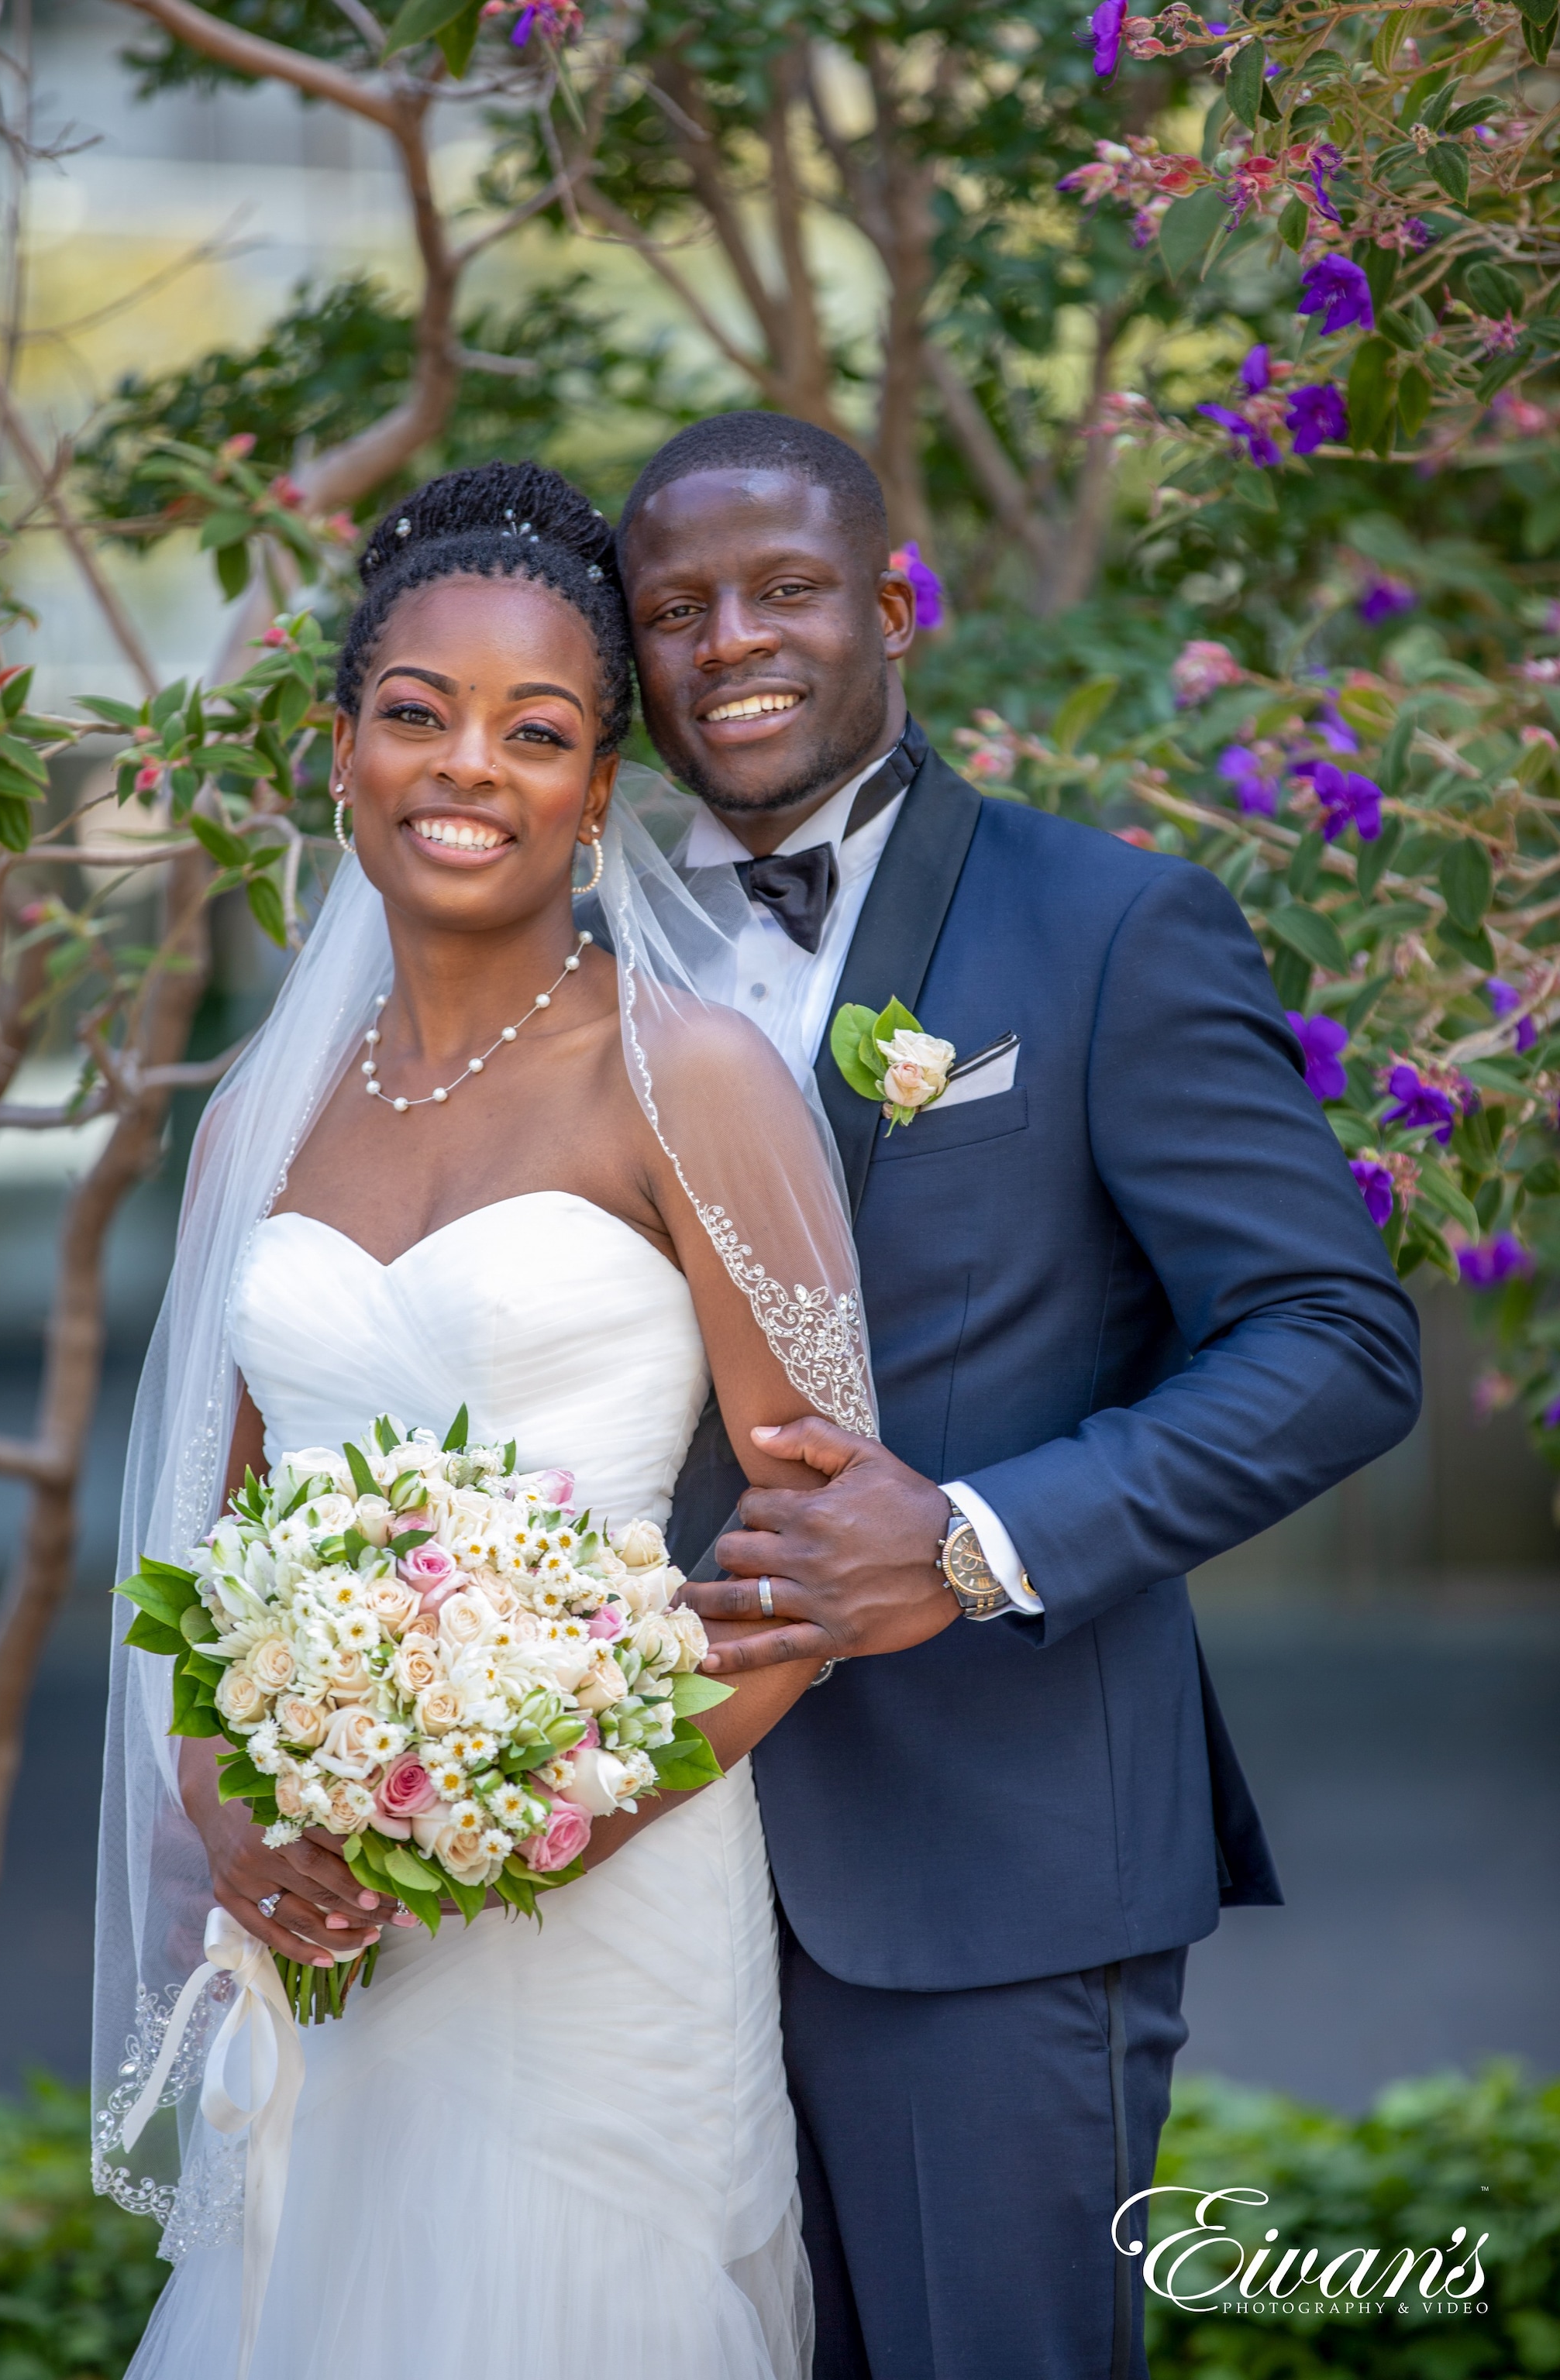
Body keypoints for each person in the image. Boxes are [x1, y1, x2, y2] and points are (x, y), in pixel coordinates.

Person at [615, 411, 1425, 2380]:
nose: (733, 640)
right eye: (677, 610)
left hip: (985, 1867)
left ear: (894, 606)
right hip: (633, 1874)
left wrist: (975, 1541)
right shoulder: (578, 960)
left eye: (787, 589)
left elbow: (1335, 1340)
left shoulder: (1110, 928)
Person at [91, 460, 879, 2380]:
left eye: (538, 731)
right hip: (331, 1921)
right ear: (340, 750)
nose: (472, 767)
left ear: (600, 786)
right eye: (417, 715)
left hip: (607, 1910)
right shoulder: (255, 1127)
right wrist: (227, 1799)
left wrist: (518, 1818)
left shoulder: (687, 1073)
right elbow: (216, 1551)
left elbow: (818, 1558)